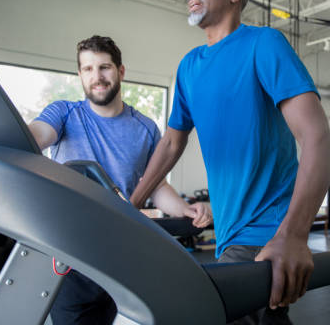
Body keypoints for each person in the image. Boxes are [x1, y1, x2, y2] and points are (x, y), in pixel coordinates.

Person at [130, 0, 330, 324]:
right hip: (227, 231)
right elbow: (172, 143)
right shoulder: (189, 66)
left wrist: (293, 234)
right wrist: (131, 203)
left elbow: (318, 139)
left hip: (264, 230)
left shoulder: (263, 44)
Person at [28, 35, 212, 325]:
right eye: (87, 69)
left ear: (120, 71)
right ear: (80, 74)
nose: (96, 77)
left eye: (104, 67)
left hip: (122, 254)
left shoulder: (145, 128)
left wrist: (185, 208)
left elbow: (156, 185)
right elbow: (36, 137)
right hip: (70, 254)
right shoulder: (64, 113)